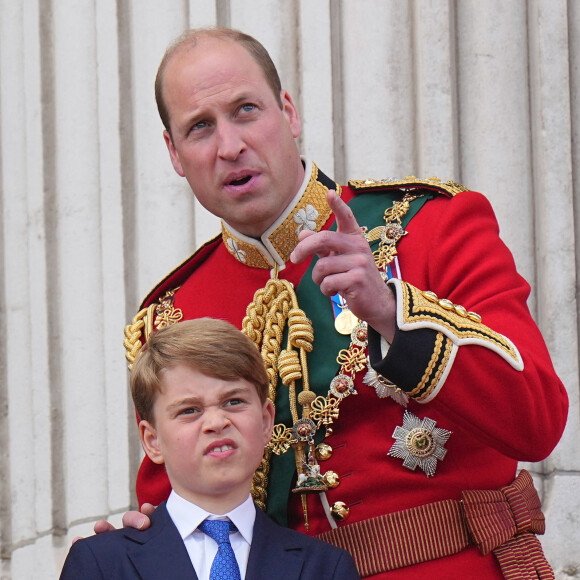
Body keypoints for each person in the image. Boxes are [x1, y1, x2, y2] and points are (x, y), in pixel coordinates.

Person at [116, 27, 568, 579]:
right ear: (174, 153)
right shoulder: (173, 315)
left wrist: (390, 313)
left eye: (246, 110)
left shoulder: (430, 226)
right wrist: (140, 545)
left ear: (289, 112)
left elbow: (538, 420)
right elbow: (182, 516)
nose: (229, 145)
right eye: (200, 127)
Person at [62, 319, 360, 579]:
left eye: (234, 402)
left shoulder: (324, 568)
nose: (217, 422)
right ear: (152, 440)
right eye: (189, 410)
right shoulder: (103, 564)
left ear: (266, 420)